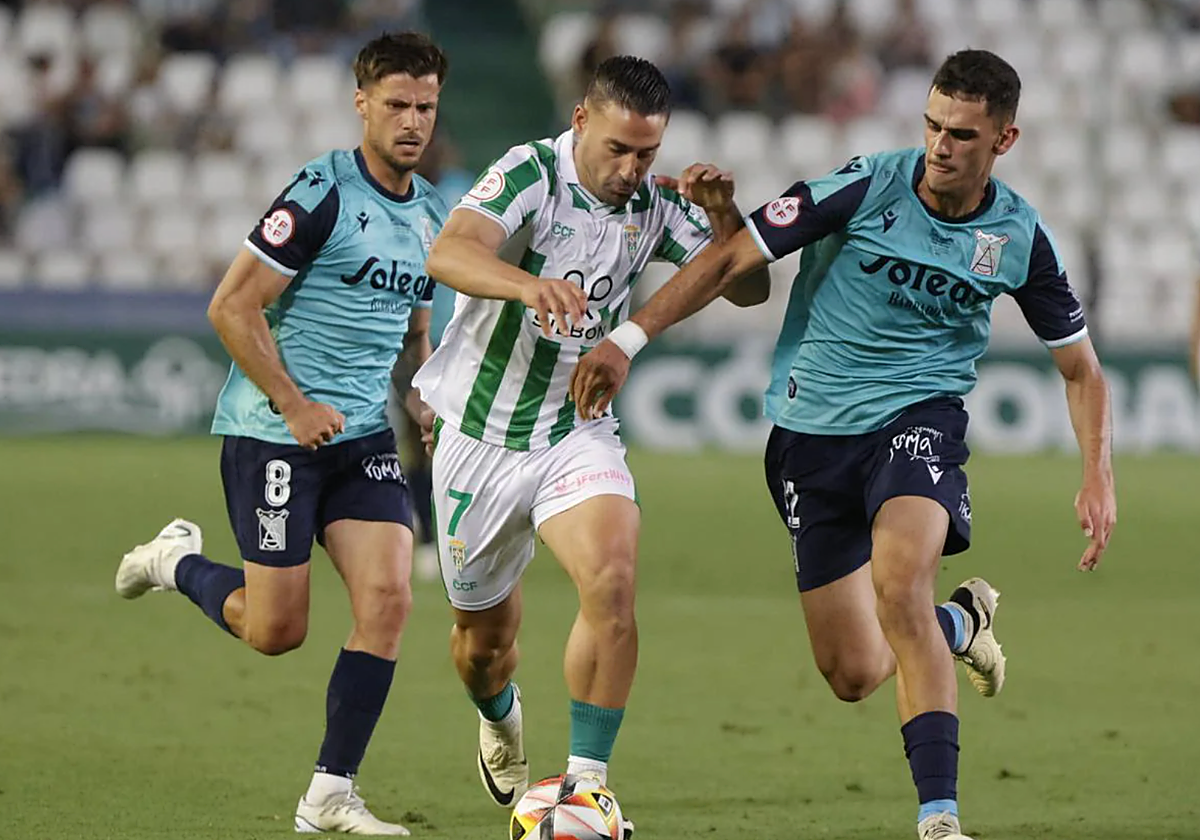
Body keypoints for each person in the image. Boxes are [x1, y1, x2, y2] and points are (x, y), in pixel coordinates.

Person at [570, 49, 1117, 840]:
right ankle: (960, 624)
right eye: (932, 125)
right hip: (810, 435)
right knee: (855, 671)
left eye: (962, 134)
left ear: (1005, 139)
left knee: (899, 585)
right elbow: (732, 256)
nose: (940, 145)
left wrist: (1097, 475)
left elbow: (1081, 369)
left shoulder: (1018, 237)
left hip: (918, 420)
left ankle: (938, 819)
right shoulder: (862, 186)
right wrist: (629, 338)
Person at [413, 55, 769, 829]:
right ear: (581, 121)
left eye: (647, 153)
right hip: (478, 438)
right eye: (618, 149)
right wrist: (525, 284)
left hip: (576, 432)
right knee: (482, 645)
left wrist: (722, 219)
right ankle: (499, 714)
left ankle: (586, 783)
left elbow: (747, 283)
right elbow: (448, 251)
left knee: (611, 579)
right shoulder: (530, 174)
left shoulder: (653, 202)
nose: (632, 168)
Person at [114, 32, 450, 836]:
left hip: (363, 437)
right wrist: (296, 404)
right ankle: (175, 560)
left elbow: (412, 331)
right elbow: (232, 305)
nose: (412, 122)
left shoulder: (435, 212)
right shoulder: (319, 194)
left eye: (426, 107)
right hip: (273, 435)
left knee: (389, 599)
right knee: (276, 633)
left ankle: (330, 793)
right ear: (361, 102)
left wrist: (425, 397)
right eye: (397, 104)